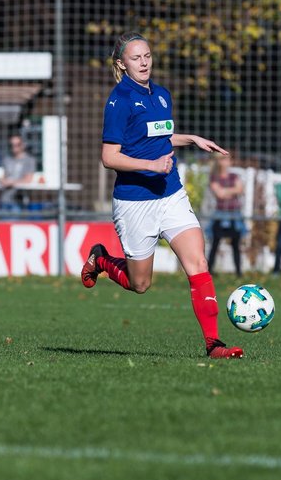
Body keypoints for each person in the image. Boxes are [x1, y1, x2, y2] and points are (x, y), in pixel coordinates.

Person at [79, 32, 244, 359]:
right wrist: (149, 165)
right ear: (122, 64)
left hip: (170, 194)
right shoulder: (119, 100)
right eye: (136, 58)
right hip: (135, 202)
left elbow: (158, 136)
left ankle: (214, 344)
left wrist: (192, 139)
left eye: (147, 56)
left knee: (197, 261)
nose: (143, 63)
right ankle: (101, 259)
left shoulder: (162, 95)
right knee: (140, 284)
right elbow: (109, 157)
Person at [206, 154, 246, 275]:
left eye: (229, 159)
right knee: (215, 243)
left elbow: (240, 189)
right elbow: (220, 194)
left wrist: (226, 191)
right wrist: (232, 190)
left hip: (234, 215)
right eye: (225, 159)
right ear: (219, 162)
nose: (228, 161)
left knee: (235, 244)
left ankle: (239, 272)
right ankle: (210, 271)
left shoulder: (234, 176)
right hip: (220, 215)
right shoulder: (214, 177)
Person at [0, 133, 37, 216]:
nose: (14, 147)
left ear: (23, 145)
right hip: (4, 199)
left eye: (17, 144)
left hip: (19, 201)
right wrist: (1, 180)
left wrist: (11, 182)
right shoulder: (7, 159)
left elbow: (28, 180)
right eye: (11, 144)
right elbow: (3, 176)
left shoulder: (29, 160)